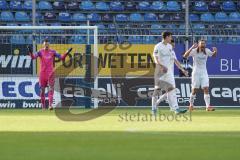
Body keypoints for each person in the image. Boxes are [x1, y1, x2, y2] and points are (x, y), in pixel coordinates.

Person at [27, 39, 72, 110]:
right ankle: (43, 106)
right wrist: (30, 52)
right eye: (45, 44)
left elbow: (62, 57)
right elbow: (33, 57)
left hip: (50, 74)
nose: (46, 46)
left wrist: (67, 52)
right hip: (42, 74)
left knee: (51, 89)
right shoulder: (40, 52)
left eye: (47, 44)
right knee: (42, 91)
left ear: (49, 45)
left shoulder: (53, 52)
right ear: (43, 45)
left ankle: (50, 105)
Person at [152, 32, 188, 115]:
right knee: (157, 90)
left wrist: (183, 70)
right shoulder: (158, 46)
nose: (171, 39)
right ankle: (153, 108)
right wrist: (162, 66)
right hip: (160, 72)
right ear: (166, 37)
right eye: (170, 37)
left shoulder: (170, 47)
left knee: (172, 89)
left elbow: (175, 60)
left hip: (169, 73)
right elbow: (156, 59)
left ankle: (176, 108)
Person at [183, 40, 217, 111]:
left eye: (204, 43)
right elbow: (185, 56)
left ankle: (208, 107)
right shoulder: (194, 51)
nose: (203, 45)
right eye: (201, 43)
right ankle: (191, 105)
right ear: (198, 44)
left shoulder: (207, 51)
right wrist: (192, 47)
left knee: (206, 88)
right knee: (194, 90)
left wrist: (215, 51)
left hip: (204, 72)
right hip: (196, 73)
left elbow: (213, 55)